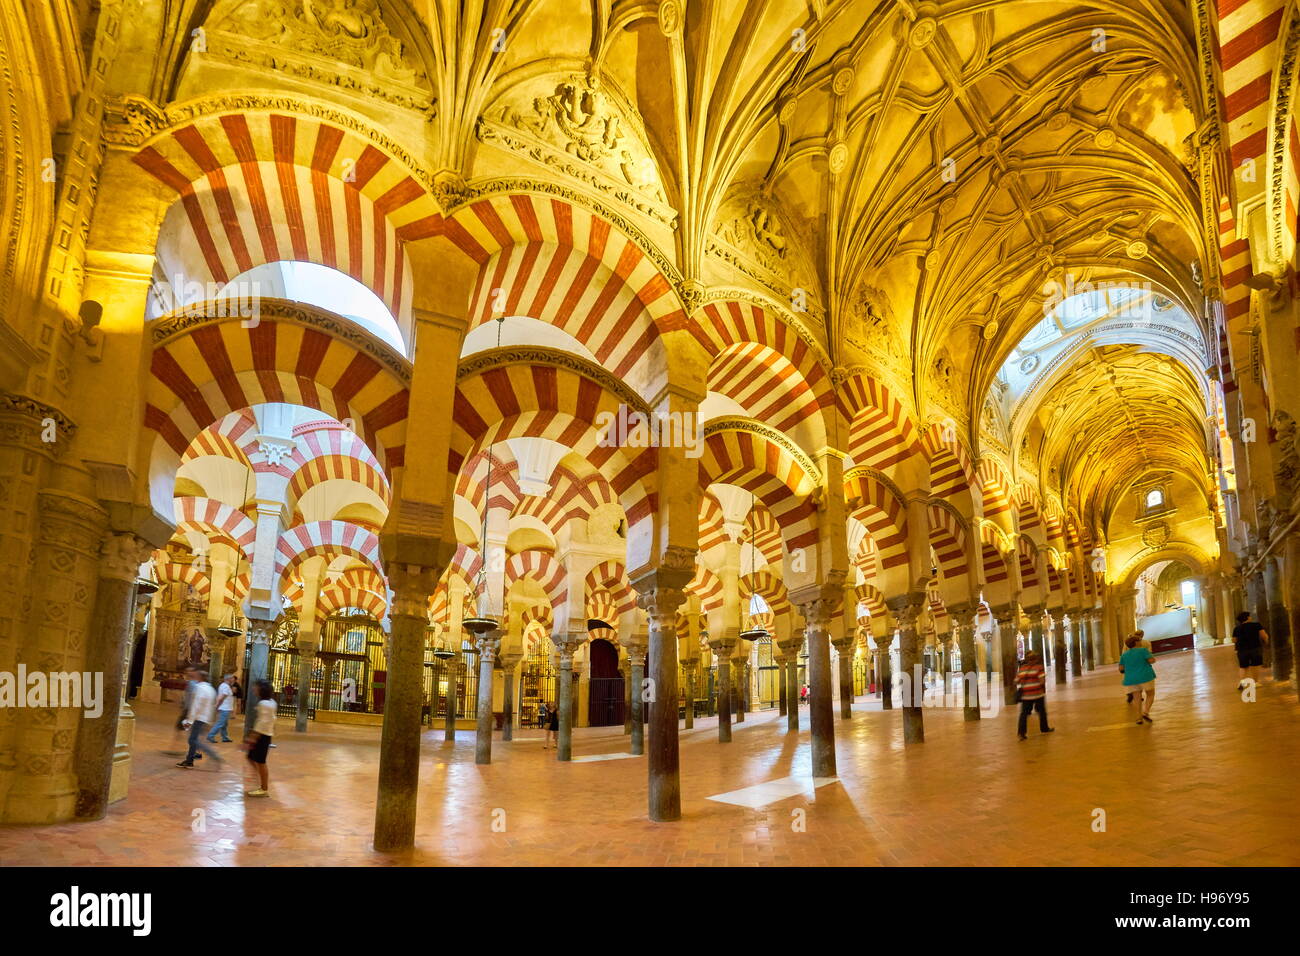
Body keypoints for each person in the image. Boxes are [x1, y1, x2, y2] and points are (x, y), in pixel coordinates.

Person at [177, 670, 223, 768]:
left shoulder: (200, 688)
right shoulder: (211, 689)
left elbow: (195, 705)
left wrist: (189, 720)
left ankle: (214, 755)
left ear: (200, 678)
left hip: (199, 717)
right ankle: (189, 760)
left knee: (193, 740)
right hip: (205, 718)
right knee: (194, 739)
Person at [244, 678, 276, 797]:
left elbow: (261, 723)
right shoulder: (271, 702)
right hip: (264, 735)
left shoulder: (263, 704)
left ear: (261, 689)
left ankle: (264, 788)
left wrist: (252, 738)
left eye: (255, 687)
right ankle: (260, 779)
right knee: (251, 757)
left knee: (261, 762)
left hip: (262, 736)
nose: (253, 689)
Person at [1014, 651, 1054, 740]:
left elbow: (1016, 681)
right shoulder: (1038, 667)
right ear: (1036, 659)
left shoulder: (1022, 668)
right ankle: (1044, 728)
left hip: (1025, 695)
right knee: (1042, 711)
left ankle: (1021, 733)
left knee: (1024, 714)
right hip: (1037, 694)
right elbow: (1042, 681)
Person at [1119, 634, 1157, 724]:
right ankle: (1146, 712)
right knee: (1150, 694)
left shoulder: (1124, 655)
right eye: (1139, 640)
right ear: (1136, 642)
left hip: (1131, 679)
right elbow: (1152, 660)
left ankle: (1138, 718)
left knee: (1137, 698)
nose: (1141, 642)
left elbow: (1121, 668)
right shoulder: (1143, 650)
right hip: (1145, 676)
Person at [1231, 611, 1269, 689]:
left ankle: (1242, 682)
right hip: (1255, 648)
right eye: (1250, 616)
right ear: (1247, 617)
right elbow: (1263, 635)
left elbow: (1234, 640)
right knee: (1255, 665)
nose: (1251, 617)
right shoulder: (1256, 625)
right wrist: (1266, 641)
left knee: (1243, 667)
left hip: (1241, 650)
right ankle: (1255, 682)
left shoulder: (1237, 628)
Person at [206, 672, 236, 743]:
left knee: (224, 724)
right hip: (224, 708)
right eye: (232, 678)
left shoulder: (224, 685)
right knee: (220, 723)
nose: (233, 679)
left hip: (225, 708)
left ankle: (225, 737)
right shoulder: (225, 686)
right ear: (228, 679)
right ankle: (210, 735)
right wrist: (217, 705)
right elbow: (221, 698)